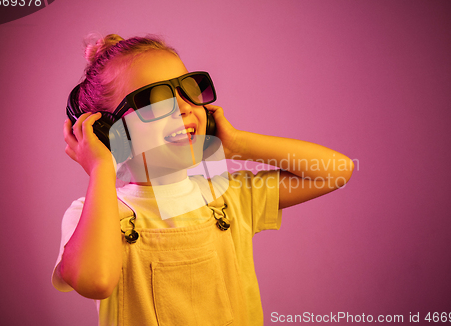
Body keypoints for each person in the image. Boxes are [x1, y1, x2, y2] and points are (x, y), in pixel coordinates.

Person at [52, 34, 354, 326]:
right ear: (109, 131)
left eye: (188, 91)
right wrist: (101, 168)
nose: (184, 108)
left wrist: (237, 144)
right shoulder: (90, 215)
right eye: (155, 101)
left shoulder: (230, 197)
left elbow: (337, 170)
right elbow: (96, 281)